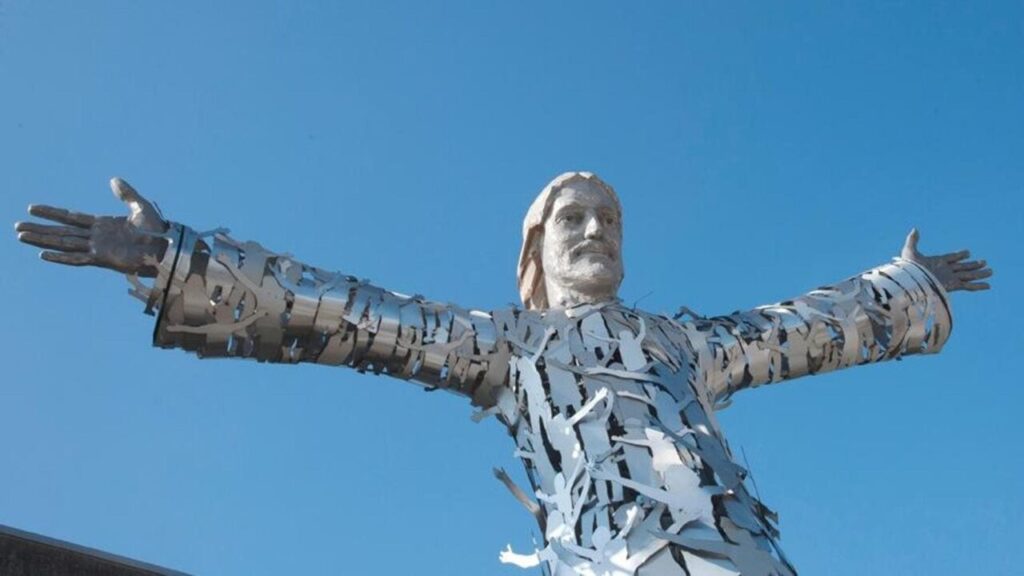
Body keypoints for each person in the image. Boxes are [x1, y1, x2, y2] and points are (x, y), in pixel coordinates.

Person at [14, 172, 991, 575]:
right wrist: (174, 256)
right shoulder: (507, 349)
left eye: (608, 215)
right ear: (536, 246)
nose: (597, 228)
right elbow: (349, 312)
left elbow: (803, 327)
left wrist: (903, 286)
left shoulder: (686, 344)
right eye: (573, 217)